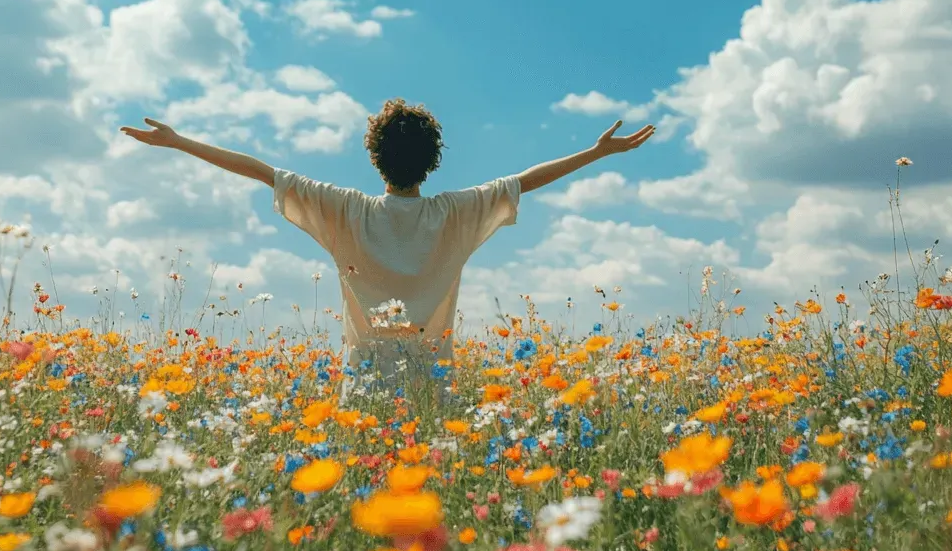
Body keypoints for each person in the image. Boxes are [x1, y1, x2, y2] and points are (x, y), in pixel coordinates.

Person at [121, 99, 655, 394]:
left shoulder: (346, 210)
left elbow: (259, 171)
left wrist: (178, 142)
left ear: (376, 158)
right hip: (434, 391)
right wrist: (595, 152)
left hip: (365, 395)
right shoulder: (456, 213)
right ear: (432, 160)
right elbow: (525, 181)